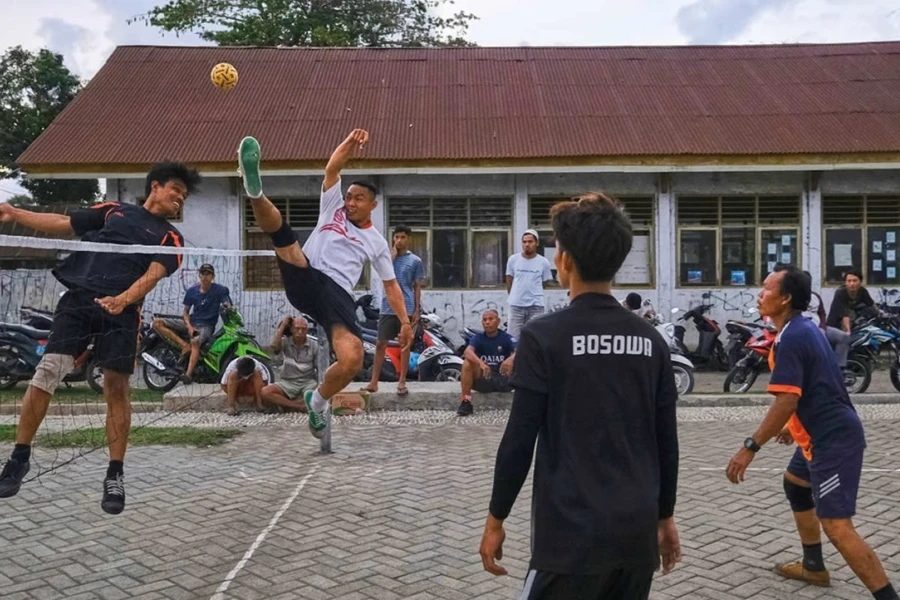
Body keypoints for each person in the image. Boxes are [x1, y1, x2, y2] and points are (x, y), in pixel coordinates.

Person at [479, 193, 681, 599]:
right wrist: (665, 517)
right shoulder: (650, 341)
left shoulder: (542, 337)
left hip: (568, 541)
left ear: (565, 260)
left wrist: (496, 517)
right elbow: (666, 442)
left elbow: (519, 439)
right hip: (635, 536)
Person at [0, 162, 198, 514]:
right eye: (176, 191)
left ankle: (115, 474)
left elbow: (152, 276)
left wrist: (122, 300)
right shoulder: (113, 212)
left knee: (117, 387)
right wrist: (15, 212)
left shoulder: (171, 237)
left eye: (184, 196)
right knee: (47, 371)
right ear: (155, 187)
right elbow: (63, 224)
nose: (180, 199)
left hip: (121, 313)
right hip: (79, 300)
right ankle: (19, 457)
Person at [726, 265, 898, 600]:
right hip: (819, 435)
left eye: (767, 288)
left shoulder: (793, 336)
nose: (760, 294)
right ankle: (813, 566)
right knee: (795, 485)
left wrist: (750, 446)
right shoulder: (803, 327)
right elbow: (816, 384)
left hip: (832, 441)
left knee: (836, 525)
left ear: (786, 298)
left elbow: (787, 399)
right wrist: (795, 427)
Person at [237, 129, 412, 440]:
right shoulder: (333, 208)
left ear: (373, 204)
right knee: (285, 240)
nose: (351, 202)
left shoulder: (376, 242)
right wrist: (349, 142)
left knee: (352, 358)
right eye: (349, 196)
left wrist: (404, 322)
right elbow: (333, 169)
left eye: (359, 198)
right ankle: (255, 191)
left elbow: (391, 286)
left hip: (338, 296)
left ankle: (317, 402)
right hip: (307, 273)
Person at [360, 225, 425, 396]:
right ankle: (373, 381)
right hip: (387, 307)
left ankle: (402, 381)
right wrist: (391, 257)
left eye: (403, 237)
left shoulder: (415, 261)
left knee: (405, 345)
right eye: (396, 237)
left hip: (407, 307)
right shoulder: (387, 258)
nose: (399, 241)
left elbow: (417, 286)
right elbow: (383, 275)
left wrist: (417, 309)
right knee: (381, 343)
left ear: (408, 239)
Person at [152, 263, 232, 383]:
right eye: (203, 273)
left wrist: (227, 306)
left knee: (195, 341)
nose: (205, 276)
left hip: (206, 326)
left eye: (208, 274)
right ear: (199, 275)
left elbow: (228, 303)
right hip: (191, 322)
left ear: (213, 276)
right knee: (157, 323)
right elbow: (185, 312)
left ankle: (188, 375)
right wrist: (189, 326)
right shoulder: (192, 291)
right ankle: (184, 345)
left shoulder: (220, 290)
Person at [458, 310, 516, 417]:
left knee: (517, 359)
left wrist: (510, 359)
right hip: (485, 377)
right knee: (467, 363)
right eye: (484, 320)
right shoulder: (478, 338)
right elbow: (467, 352)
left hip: (504, 378)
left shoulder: (506, 338)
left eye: (490, 319)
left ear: (498, 321)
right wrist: (481, 364)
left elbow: (520, 350)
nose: (487, 322)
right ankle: (466, 402)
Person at [260, 316, 318, 412]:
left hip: (307, 382)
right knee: (265, 392)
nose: (300, 332)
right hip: (288, 382)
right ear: (291, 329)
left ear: (307, 330)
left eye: (303, 329)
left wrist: (319, 385)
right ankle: (297, 406)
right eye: (297, 329)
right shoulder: (286, 341)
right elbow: (274, 347)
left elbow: (320, 370)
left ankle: (287, 405)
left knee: (320, 392)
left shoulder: (314, 345)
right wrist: (283, 326)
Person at [505, 229, 554, 339]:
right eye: (524, 242)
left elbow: (544, 283)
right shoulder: (513, 259)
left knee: (535, 337)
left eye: (530, 242)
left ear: (537, 243)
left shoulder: (544, 262)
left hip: (536, 307)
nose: (527, 244)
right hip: (516, 306)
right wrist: (515, 295)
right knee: (513, 339)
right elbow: (509, 280)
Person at [825, 269, 874, 372]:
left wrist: (883, 314)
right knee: (843, 340)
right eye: (849, 281)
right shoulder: (840, 293)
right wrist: (848, 331)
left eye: (855, 280)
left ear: (860, 282)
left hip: (853, 323)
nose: (852, 284)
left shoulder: (862, 291)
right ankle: (839, 369)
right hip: (836, 325)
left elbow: (871, 305)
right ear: (845, 282)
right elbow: (844, 315)